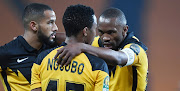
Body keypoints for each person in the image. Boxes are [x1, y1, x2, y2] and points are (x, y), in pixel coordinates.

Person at [54, 7, 148, 91]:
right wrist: (47, 36)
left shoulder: (136, 48)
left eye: (111, 32)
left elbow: (119, 58)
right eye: (101, 32)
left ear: (125, 30)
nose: (105, 38)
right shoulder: (98, 43)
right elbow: (72, 38)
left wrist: (82, 46)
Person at [31, 4, 109, 91]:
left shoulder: (42, 59)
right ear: (85, 31)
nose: (95, 34)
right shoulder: (98, 66)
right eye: (94, 29)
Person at [0, 3, 58, 91]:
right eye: (50, 23)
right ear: (34, 26)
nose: (55, 28)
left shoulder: (53, 47)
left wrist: (80, 46)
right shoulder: (7, 52)